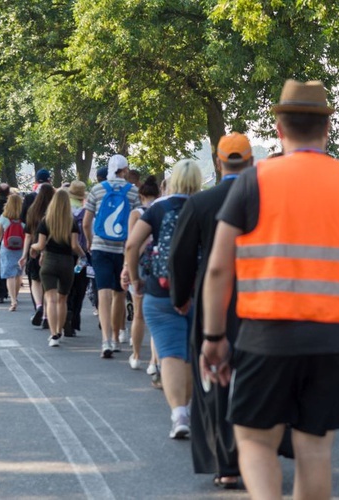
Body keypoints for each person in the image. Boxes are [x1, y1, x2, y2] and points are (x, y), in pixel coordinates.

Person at [201, 80, 339, 498]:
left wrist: (214, 337)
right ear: (326, 130)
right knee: (315, 447)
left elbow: (218, 269)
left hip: (265, 336)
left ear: (278, 128)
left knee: (254, 439)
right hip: (337, 339)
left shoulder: (254, 181)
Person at [169, 132, 252, 488]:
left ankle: (226, 462)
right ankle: (255, 454)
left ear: (218, 163)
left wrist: (180, 295)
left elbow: (180, 255)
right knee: (254, 374)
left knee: (214, 378)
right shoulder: (264, 200)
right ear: (250, 161)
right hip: (258, 294)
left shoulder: (201, 202)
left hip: (212, 295)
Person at [125, 159, 201, 439]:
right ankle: (189, 408)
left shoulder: (158, 208)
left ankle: (178, 413)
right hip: (197, 291)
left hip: (160, 290)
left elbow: (133, 244)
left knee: (169, 353)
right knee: (191, 353)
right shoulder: (205, 206)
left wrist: (134, 278)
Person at [83, 154, 141, 358]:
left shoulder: (97, 190)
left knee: (103, 293)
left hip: (101, 246)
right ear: (125, 170)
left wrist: (90, 241)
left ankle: (105, 340)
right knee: (119, 294)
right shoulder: (133, 192)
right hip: (123, 249)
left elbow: (86, 222)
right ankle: (116, 337)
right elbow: (136, 222)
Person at [29, 189, 86, 347]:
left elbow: (40, 245)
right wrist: (83, 255)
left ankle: (53, 334)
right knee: (62, 299)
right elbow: (75, 245)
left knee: (51, 299)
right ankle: (59, 332)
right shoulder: (72, 222)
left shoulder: (46, 221)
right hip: (67, 262)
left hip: (49, 261)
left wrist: (33, 247)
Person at [122, 175, 160, 370]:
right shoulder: (162, 210)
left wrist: (126, 268)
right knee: (155, 314)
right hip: (157, 264)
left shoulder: (136, 214)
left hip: (138, 264)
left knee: (139, 314)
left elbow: (131, 244)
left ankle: (136, 356)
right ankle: (154, 361)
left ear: (140, 195)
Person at [20, 184, 55, 326]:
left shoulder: (32, 211)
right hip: (51, 250)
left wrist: (24, 254)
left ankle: (39, 305)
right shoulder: (54, 211)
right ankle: (47, 315)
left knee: (35, 281)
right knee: (48, 285)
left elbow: (27, 236)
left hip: (34, 249)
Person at [64, 181, 90, 337]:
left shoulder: (64, 211)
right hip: (82, 255)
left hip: (65, 253)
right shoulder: (87, 212)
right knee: (80, 289)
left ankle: (66, 311)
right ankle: (74, 319)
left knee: (67, 288)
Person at [0, 194, 25, 311]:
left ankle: (12, 300)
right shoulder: (24, 217)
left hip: (7, 247)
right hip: (21, 247)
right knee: (18, 273)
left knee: (9, 275)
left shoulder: (4, 217)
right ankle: (15, 297)